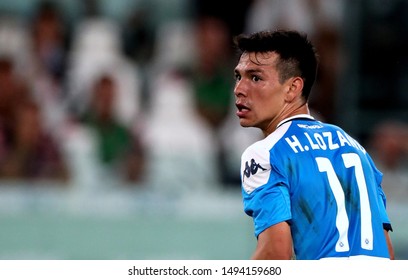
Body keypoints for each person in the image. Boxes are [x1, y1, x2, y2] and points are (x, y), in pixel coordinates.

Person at [233, 30, 394, 260]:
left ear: (293, 88)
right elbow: (387, 252)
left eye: (255, 78)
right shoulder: (356, 148)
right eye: (238, 77)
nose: (239, 89)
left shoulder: (266, 153)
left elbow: (276, 254)